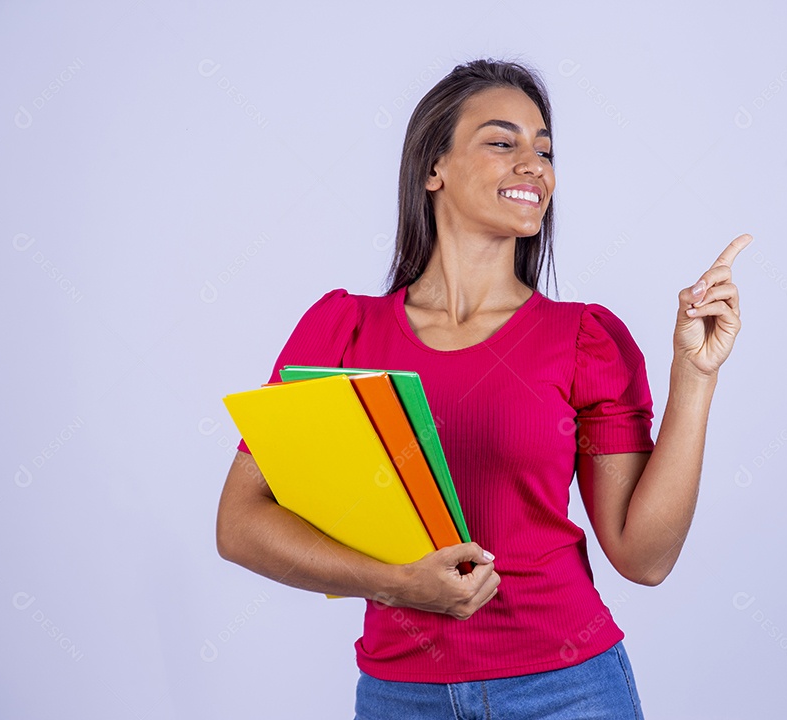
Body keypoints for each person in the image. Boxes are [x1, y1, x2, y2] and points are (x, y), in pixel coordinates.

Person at [216, 58, 751, 719]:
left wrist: (694, 377)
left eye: (545, 149)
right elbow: (240, 524)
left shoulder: (584, 339)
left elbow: (644, 557)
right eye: (503, 141)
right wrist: (397, 584)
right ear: (433, 169)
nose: (535, 164)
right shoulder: (341, 332)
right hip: (400, 696)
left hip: (570, 689)